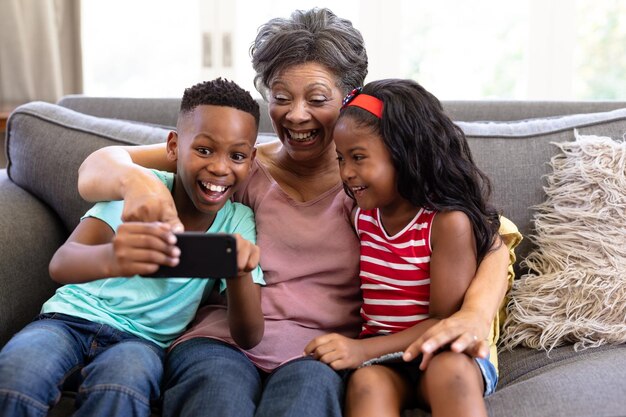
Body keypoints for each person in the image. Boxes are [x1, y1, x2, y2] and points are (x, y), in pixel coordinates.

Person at [76, 8, 518, 417]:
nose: (296, 115)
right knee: (216, 396)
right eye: (281, 96)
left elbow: (490, 238)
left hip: (317, 349)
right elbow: (99, 165)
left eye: (317, 98)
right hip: (222, 339)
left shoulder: (374, 184)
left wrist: (475, 313)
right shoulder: (239, 163)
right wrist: (134, 182)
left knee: (304, 400)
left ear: (351, 98)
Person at [0, 78, 265, 417]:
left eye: (238, 155)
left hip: (142, 343)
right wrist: (113, 258)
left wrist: (240, 275)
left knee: (122, 388)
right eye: (203, 149)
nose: (219, 167)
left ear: (252, 159)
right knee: (16, 373)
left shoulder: (239, 221)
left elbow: (249, 335)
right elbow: (62, 264)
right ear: (173, 147)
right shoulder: (142, 190)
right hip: (68, 320)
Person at [305, 79, 508, 417]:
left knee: (452, 374)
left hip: (441, 352)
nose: (346, 172)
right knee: (366, 384)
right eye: (341, 158)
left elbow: (445, 321)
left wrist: (359, 349)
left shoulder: (445, 223)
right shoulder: (361, 215)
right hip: (384, 361)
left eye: (358, 158)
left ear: (406, 154)